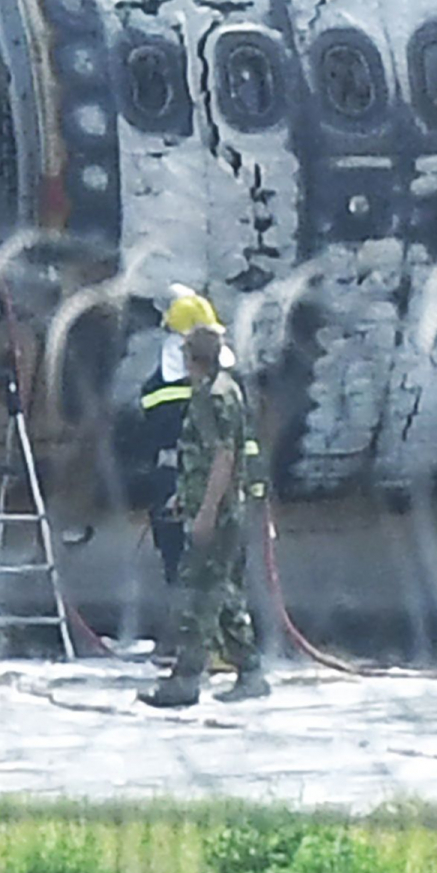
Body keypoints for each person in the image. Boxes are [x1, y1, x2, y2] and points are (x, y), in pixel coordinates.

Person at [139, 321, 266, 707]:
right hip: (214, 507)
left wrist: (207, 511)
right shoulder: (220, 390)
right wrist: (186, 497)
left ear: (192, 357)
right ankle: (250, 671)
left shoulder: (214, 396)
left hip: (218, 514)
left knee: (196, 595)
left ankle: (185, 680)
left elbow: (224, 456)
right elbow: (205, 458)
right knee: (221, 595)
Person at [117, 288, 220, 591]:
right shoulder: (222, 384)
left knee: (192, 560)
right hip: (187, 477)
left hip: (184, 476)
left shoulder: (158, 384)